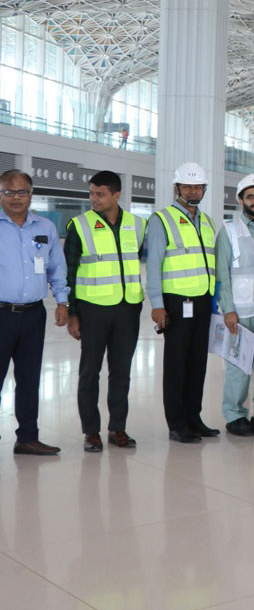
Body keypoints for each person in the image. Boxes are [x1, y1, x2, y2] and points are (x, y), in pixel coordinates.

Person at [65, 170, 143, 451]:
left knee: (121, 372)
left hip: (128, 309)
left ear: (116, 195)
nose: (94, 199)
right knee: (90, 372)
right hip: (93, 309)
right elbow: (69, 273)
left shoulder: (137, 224)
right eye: (91, 193)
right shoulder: (79, 225)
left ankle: (117, 428)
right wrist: (73, 313)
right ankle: (91, 431)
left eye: (100, 194)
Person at [146, 162, 220, 444]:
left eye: (198, 187)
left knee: (197, 363)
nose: (193, 191)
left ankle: (194, 417)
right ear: (176, 188)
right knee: (177, 364)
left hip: (202, 300)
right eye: (188, 186)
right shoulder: (161, 220)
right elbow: (153, 265)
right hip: (176, 302)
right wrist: (156, 303)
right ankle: (177, 424)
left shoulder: (207, 221)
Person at [1, 169, 68, 455]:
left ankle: (27, 437)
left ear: (31, 194)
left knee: (29, 378)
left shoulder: (45, 227)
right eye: (9, 192)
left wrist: (62, 301)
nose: (16, 198)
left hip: (33, 315)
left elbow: (56, 266)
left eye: (22, 192)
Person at [215, 174, 254, 436]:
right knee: (238, 366)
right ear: (240, 200)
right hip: (240, 310)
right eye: (250, 197)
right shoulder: (229, 231)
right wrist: (228, 309)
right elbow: (222, 274)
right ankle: (235, 414)